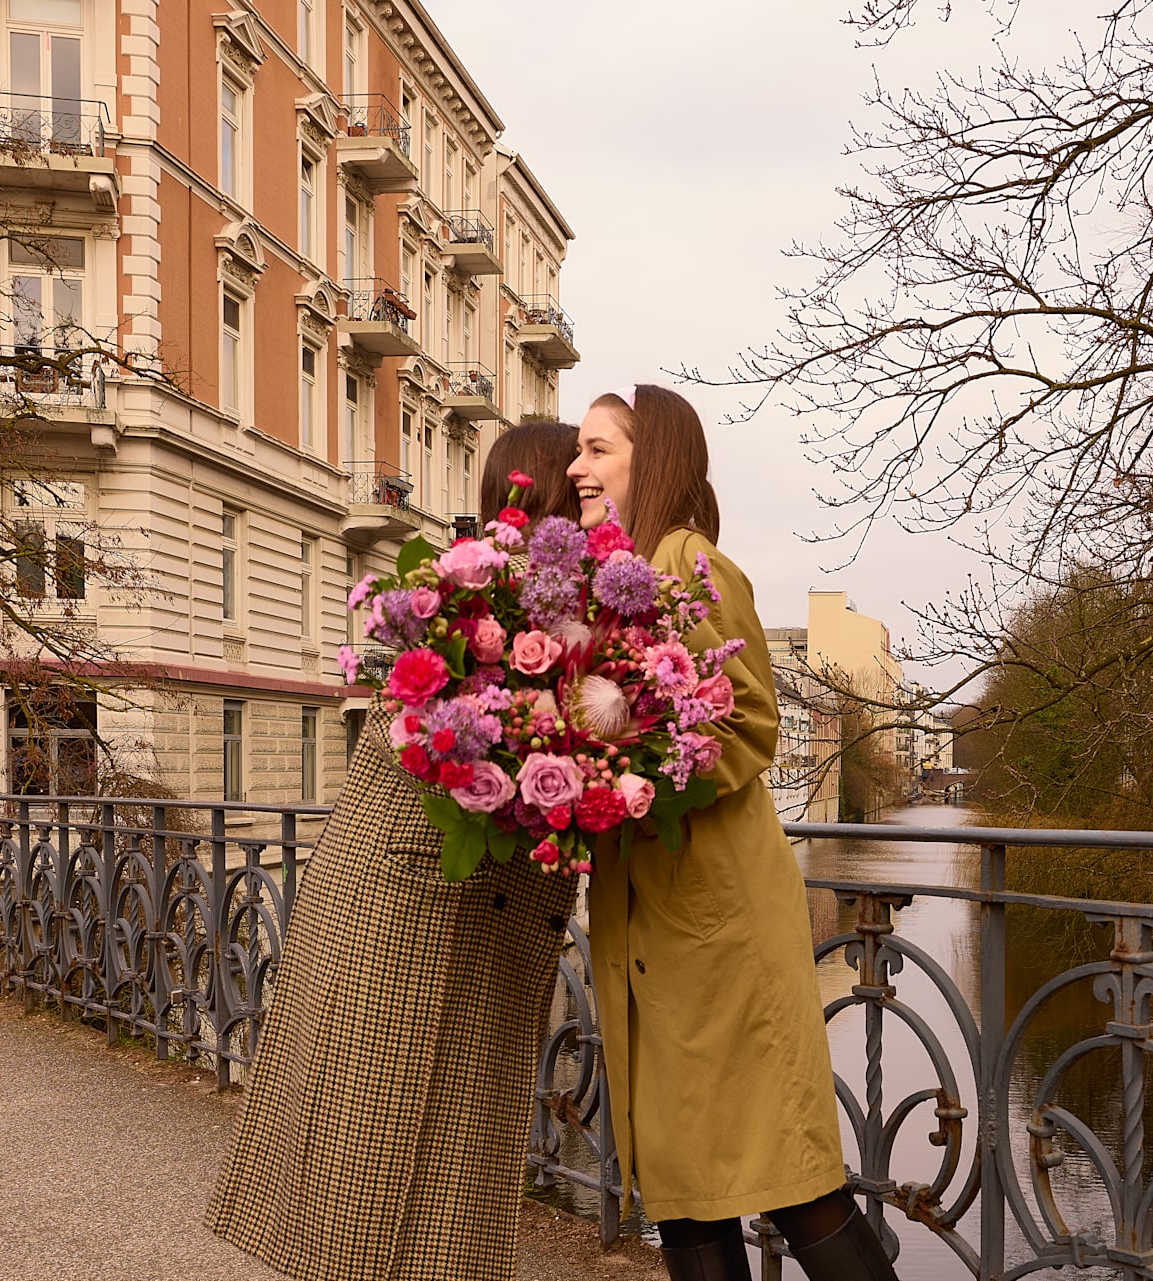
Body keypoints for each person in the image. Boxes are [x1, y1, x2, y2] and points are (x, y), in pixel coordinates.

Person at [205, 421, 585, 1281]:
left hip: (403, 909)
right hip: (410, 922)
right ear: (550, 496)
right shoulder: (499, 600)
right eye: (585, 484)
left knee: (390, 1189)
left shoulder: (493, 589)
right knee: (380, 1187)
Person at [566, 385, 898, 1280]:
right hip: (669, 933)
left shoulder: (689, 562)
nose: (576, 467)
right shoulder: (627, 574)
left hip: (716, 935)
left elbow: (748, 723)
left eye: (597, 450)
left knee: (790, 1181)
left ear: (653, 456)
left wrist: (627, 772)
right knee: (687, 1193)